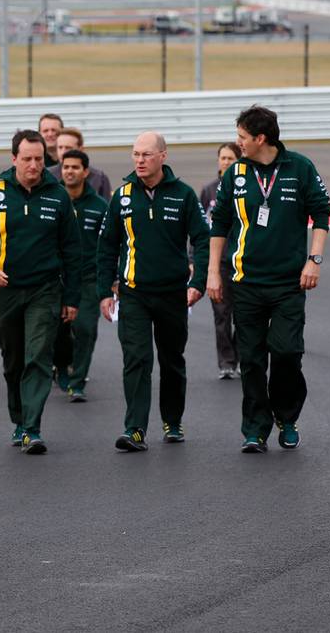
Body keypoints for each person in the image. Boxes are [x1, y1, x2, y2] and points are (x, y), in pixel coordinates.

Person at [208, 106, 330, 453]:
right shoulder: (236, 173)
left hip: (289, 283)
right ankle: (255, 430)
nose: (238, 143)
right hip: (245, 282)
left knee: (287, 351)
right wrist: (213, 272)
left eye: (242, 137)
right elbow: (219, 224)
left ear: (260, 138)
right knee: (251, 360)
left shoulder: (300, 167)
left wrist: (314, 261)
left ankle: (287, 418)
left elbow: (322, 213)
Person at [97, 132, 209, 452]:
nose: (140, 160)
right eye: (136, 154)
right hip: (133, 294)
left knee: (172, 359)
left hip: (173, 293)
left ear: (163, 156)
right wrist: (104, 290)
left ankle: (172, 421)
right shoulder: (122, 196)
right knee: (137, 359)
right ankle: (134, 429)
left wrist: (198, 282)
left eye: (146, 154)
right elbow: (107, 246)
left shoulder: (183, 195)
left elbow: (202, 239)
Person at [0, 130, 81, 453]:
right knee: (14, 360)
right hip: (6, 289)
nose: (34, 165)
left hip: (45, 290)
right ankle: (19, 420)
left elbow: (72, 250)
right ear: (14, 159)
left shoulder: (58, 195)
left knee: (38, 355)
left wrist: (71, 298)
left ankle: (32, 428)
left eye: (39, 159)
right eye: (27, 159)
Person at [52, 149, 108, 402]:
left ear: (86, 172)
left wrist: (111, 280)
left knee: (85, 328)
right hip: (56, 278)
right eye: (66, 167)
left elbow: (109, 245)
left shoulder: (99, 206)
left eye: (75, 167)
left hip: (88, 279)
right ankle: (62, 367)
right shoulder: (53, 201)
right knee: (57, 331)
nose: (70, 171)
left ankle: (77, 381)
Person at [200, 142, 242, 380]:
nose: (225, 162)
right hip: (219, 262)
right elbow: (199, 227)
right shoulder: (208, 190)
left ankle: (241, 357)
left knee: (244, 313)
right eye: (223, 158)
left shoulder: (247, 187)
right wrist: (195, 259)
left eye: (230, 158)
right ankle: (226, 362)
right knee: (222, 313)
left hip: (243, 261)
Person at [49, 127, 113, 200]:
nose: (63, 152)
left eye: (68, 148)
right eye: (60, 147)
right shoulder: (48, 175)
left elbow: (107, 205)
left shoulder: (99, 178)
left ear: (81, 149)